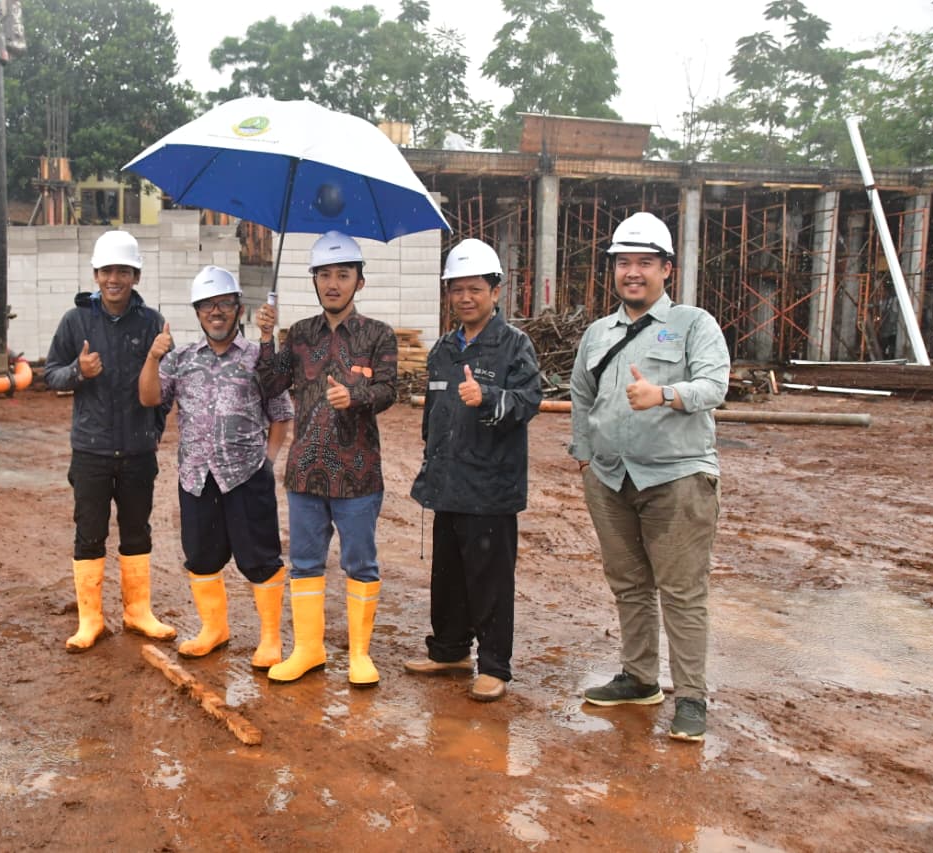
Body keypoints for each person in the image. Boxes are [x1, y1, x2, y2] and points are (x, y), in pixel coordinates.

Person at [569, 211, 730, 742]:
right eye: (622, 263)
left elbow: (714, 387)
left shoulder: (693, 324)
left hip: (677, 479)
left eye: (644, 263)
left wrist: (664, 393)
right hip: (611, 480)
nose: (631, 273)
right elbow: (581, 396)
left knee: (682, 591)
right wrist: (587, 457)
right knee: (630, 585)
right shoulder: (598, 333)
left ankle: (691, 697)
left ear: (667, 269)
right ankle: (639, 677)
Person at [253, 230, 398, 687]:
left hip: (358, 474)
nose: (333, 283)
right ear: (313, 280)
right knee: (305, 563)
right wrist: (263, 338)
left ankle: (359, 655)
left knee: (361, 564)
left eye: (343, 274)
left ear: (360, 281)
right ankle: (309, 650)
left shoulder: (378, 335)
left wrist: (354, 396)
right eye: (324, 275)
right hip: (305, 473)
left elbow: (391, 390)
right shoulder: (298, 335)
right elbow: (269, 385)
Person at [406, 238, 542, 702]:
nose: (465, 298)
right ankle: (448, 650)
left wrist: (489, 398)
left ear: (495, 291)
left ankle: (495, 666)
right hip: (447, 481)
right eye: (456, 289)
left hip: (491, 484)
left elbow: (529, 402)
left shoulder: (513, 345)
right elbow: (433, 413)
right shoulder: (443, 349)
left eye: (475, 289)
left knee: (490, 578)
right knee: (447, 574)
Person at [138, 266, 294, 668]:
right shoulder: (182, 359)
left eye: (224, 303)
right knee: (202, 557)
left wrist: (269, 461)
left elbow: (280, 412)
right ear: (197, 312)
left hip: (246, 475)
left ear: (238, 308)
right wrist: (154, 357)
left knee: (259, 558)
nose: (216, 312)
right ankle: (214, 629)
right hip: (196, 477)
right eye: (208, 305)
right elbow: (149, 398)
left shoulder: (259, 358)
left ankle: (271, 639)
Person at [45, 229, 176, 653]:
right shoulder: (76, 321)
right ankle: (91, 620)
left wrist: (153, 431)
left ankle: (138, 613)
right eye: (106, 271)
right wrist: (79, 371)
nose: (113, 279)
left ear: (135, 275)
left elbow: (162, 387)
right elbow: (51, 375)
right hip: (92, 450)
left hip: (138, 450)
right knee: (90, 533)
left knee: (137, 531)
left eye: (122, 270)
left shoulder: (152, 322)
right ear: (96, 275)